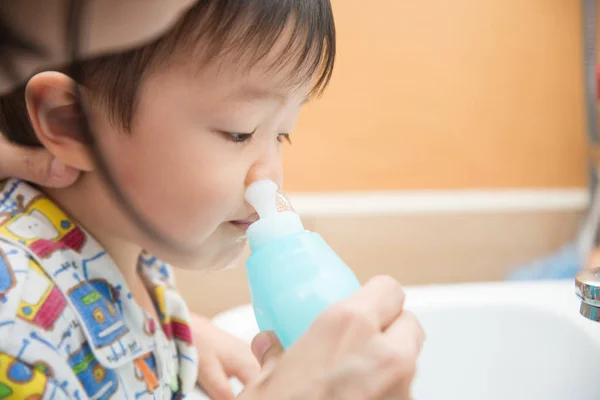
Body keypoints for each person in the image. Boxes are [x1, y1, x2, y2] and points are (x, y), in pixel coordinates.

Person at [0, 1, 424, 399]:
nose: (269, 178)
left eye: (282, 134)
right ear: (72, 123)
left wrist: (177, 332)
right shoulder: (14, 324)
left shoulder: (129, 246)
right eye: (238, 132)